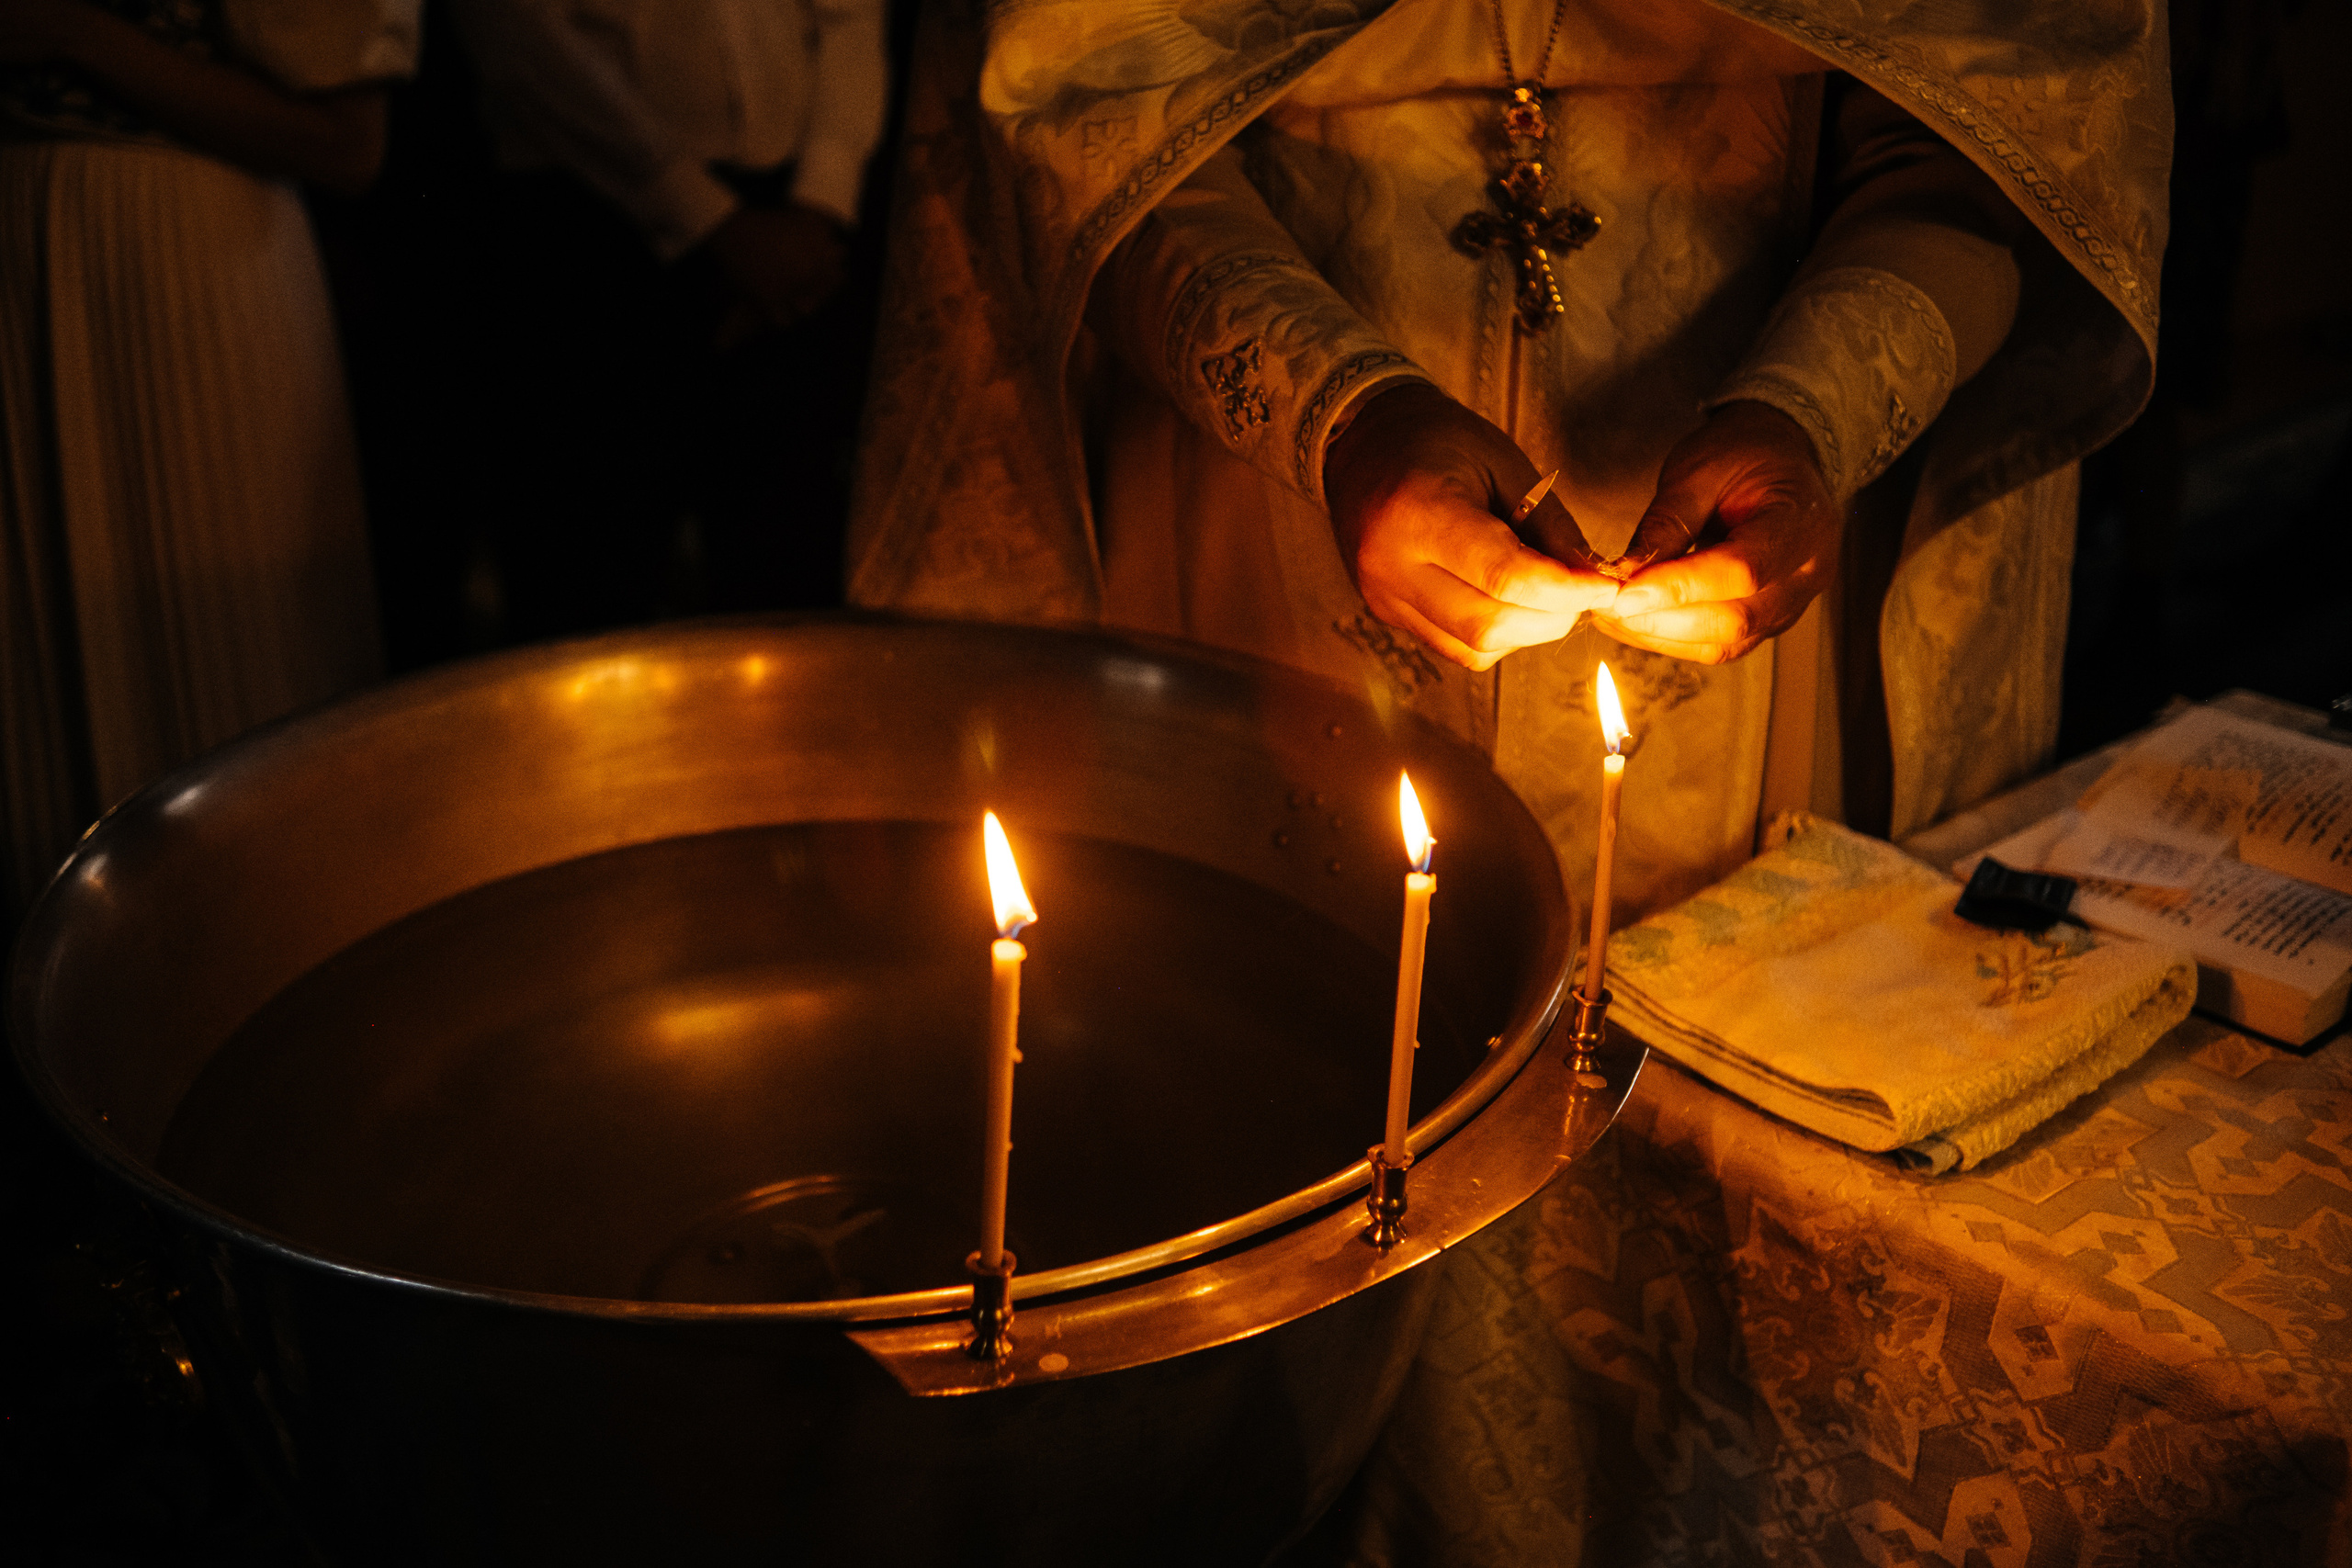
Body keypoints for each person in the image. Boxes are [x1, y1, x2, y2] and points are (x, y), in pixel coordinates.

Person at [847, 0, 2169, 920]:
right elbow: (1085, 134)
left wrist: (1813, 414)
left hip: (1772, 540)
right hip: (1262, 515)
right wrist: (1336, 412)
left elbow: (2000, 147)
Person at [0, 0, 419, 928]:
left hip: (180, 263)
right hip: (28, 251)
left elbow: (347, 142)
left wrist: (81, 36)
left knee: (223, 697)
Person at [440, 0, 890, 639]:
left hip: (793, 220)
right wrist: (703, 214)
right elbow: (521, 30)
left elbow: (850, 15)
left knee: (789, 594)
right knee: (585, 596)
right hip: (589, 223)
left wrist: (824, 192)